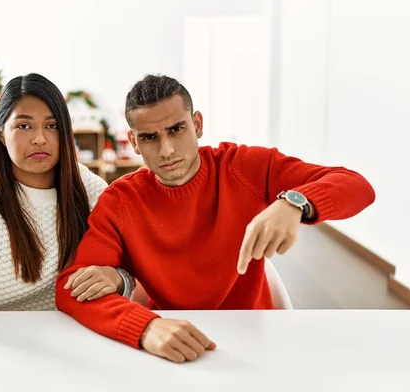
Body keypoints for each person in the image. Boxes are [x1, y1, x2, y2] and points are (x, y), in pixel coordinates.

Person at [56, 74, 376, 363]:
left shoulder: (243, 167)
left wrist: (294, 202)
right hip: (173, 340)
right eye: (150, 137)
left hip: (257, 339)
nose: (167, 150)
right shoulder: (120, 201)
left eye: (176, 129)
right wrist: (145, 328)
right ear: (135, 142)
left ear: (196, 124)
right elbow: (71, 290)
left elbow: (357, 185)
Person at [0, 73, 132, 325]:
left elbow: (129, 274)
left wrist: (116, 278)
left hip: (73, 331)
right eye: (23, 126)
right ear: (0, 133)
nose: (40, 138)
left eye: (52, 126)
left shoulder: (91, 189)